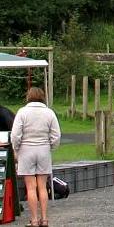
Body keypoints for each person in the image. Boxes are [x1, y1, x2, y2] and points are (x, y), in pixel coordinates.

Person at [11, 88, 60, 227]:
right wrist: (51, 147)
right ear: (42, 97)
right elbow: (56, 135)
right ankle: (44, 219)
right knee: (42, 187)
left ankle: (34, 220)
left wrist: (16, 148)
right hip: (43, 149)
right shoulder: (49, 113)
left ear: (28, 97)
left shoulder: (22, 112)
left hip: (26, 150)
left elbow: (15, 135)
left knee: (31, 188)